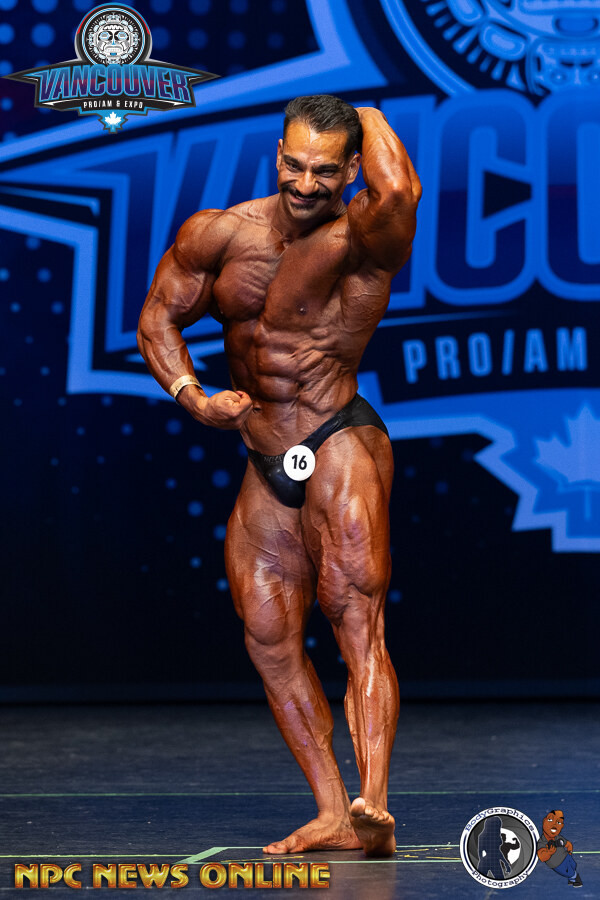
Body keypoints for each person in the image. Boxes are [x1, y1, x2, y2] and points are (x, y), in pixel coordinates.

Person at [137, 94, 421, 857]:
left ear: (351, 168)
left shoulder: (363, 237)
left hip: (338, 435)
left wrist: (369, 112)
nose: (304, 183)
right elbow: (158, 318)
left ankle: (373, 806)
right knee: (268, 636)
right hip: (263, 453)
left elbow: (400, 189)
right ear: (276, 155)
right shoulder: (222, 233)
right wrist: (192, 396)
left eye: (324, 170)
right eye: (293, 164)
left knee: (354, 617)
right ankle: (333, 813)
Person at [537, 810, 583, 887]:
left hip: (566, 856)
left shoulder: (558, 837)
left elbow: (568, 844)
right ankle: (576, 878)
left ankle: (571, 880)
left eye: (558, 822)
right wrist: (549, 853)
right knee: (570, 873)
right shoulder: (542, 842)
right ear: (544, 821)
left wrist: (570, 851)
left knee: (573, 865)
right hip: (557, 864)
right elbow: (542, 857)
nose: (554, 824)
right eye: (550, 820)